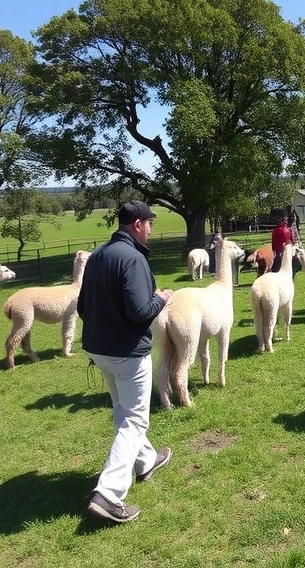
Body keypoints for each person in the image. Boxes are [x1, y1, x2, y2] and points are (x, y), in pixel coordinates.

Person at [78, 201, 173, 523]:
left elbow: (81, 307)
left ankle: (145, 460)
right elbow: (139, 312)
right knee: (135, 419)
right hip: (127, 354)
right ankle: (109, 494)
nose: (151, 229)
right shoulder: (132, 259)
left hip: (98, 350)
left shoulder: (98, 256)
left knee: (123, 410)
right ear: (137, 224)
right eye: (150, 223)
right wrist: (161, 298)